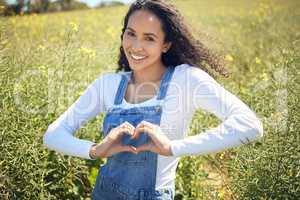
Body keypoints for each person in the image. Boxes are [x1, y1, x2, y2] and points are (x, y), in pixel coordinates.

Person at [43, 0, 264, 199]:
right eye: (131, 34)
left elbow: (249, 125)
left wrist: (173, 147)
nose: (136, 46)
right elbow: (53, 135)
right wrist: (95, 150)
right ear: (122, 36)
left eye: (149, 38)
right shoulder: (107, 84)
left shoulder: (186, 79)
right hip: (103, 193)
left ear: (166, 44)